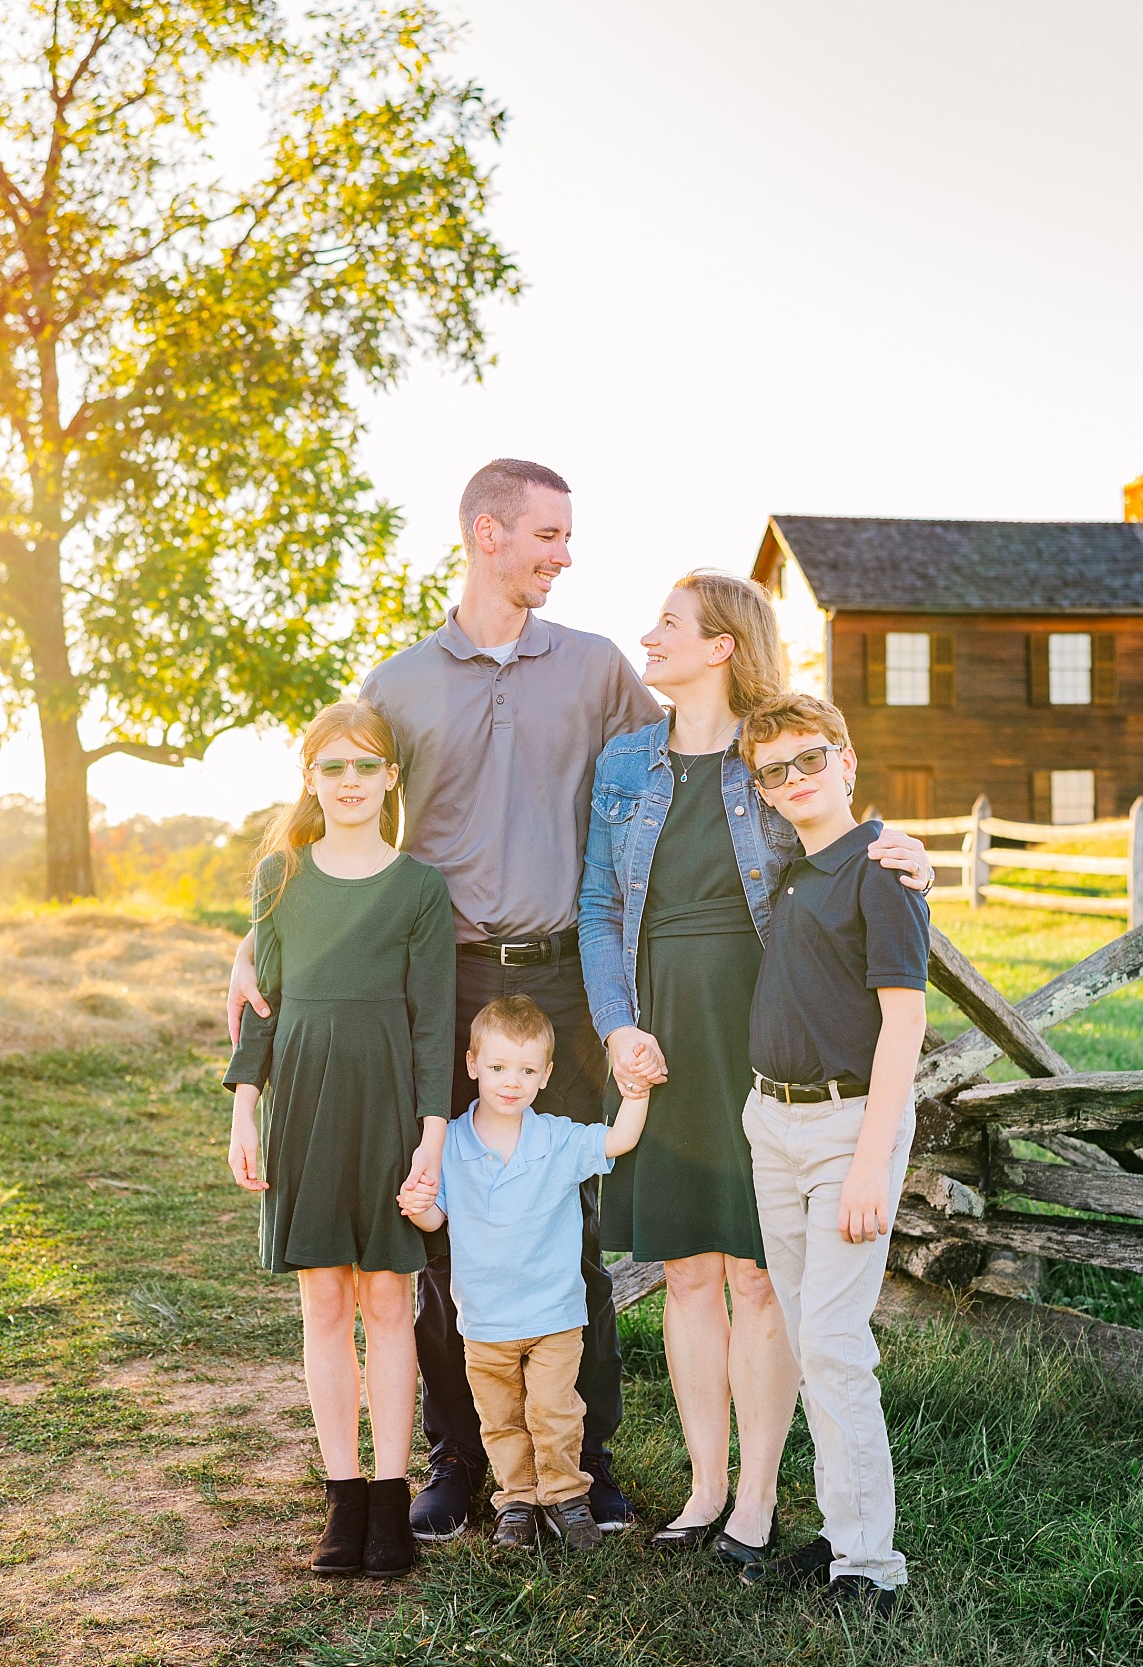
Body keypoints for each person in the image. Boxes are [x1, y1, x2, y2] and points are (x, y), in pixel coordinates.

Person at [231, 458, 928, 1542]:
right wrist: (262, 929)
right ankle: (463, 1455)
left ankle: (582, 1460)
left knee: (577, 1217)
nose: (565, 554)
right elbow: (339, 813)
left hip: (565, 973)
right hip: (448, 972)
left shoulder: (600, 668)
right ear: (488, 533)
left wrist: (891, 842)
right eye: (549, 535)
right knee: (448, 1219)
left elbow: (752, 761)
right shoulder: (399, 682)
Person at [577, 571, 805, 1560]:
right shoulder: (626, 760)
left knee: (757, 1273)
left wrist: (904, 854)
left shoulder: (775, 750)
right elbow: (599, 907)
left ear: (722, 646)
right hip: (659, 1032)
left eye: (669, 623)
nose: (650, 635)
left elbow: (838, 841)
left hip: (759, 1032)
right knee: (686, 1272)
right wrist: (616, 1029)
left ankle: (757, 1493)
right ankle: (705, 1487)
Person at [223, 699, 454, 1581]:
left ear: (391, 777)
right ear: (310, 779)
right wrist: (245, 1109)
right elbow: (262, 1007)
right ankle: (344, 1494)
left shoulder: (419, 888)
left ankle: (391, 1495)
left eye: (366, 765)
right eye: (333, 766)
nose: (350, 781)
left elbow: (433, 1024)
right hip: (306, 1106)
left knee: (388, 1300)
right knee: (324, 1299)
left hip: (389, 1106)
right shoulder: (279, 877)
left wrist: (430, 1138)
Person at [732, 692, 930, 1612]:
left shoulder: (881, 870)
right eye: (774, 771)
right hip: (772, 1122)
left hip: (848, 1128)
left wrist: (868, 1163)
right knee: (810, 1333)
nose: (795, 779)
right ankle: (842, 1530)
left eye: (810, 758)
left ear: (846, 759)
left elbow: (905, 1026)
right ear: (764, 793)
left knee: (834, 1342)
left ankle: (872, 1566)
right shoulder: (792, 869)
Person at [397, 997, 651, 1552]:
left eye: (527, 1070)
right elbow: (437, 1219)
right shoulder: (450, 1143)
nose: (511, 1082)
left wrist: (635, 1094)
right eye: (497, 1067)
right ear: (471, 1065)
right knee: (502, 1419)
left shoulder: (557, 1138)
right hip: (484, 1321)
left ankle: (566, 1497)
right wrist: (417, 1205)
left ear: (547, 1075)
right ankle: (516, 1500)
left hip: (554, 1315)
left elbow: (618, 1140)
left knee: (555, 1411)